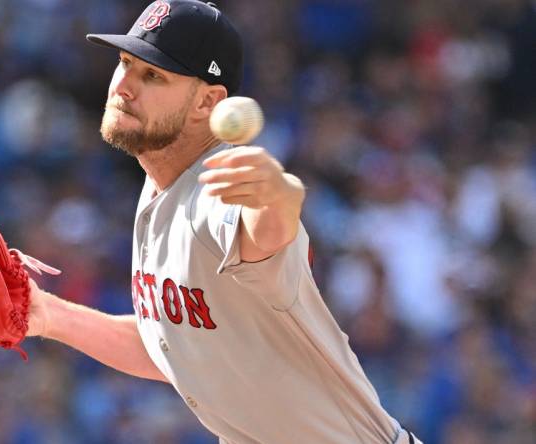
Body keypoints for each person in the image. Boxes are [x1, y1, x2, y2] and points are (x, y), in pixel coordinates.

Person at [25, 1, 421, 443]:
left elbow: (265, 231)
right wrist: (48, 315)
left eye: (154, 75)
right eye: (126, 63)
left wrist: (281, 198)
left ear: (208, 102)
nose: (125, 86)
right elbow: (170, 347)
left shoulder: (218, 185)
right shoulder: (161, 180)